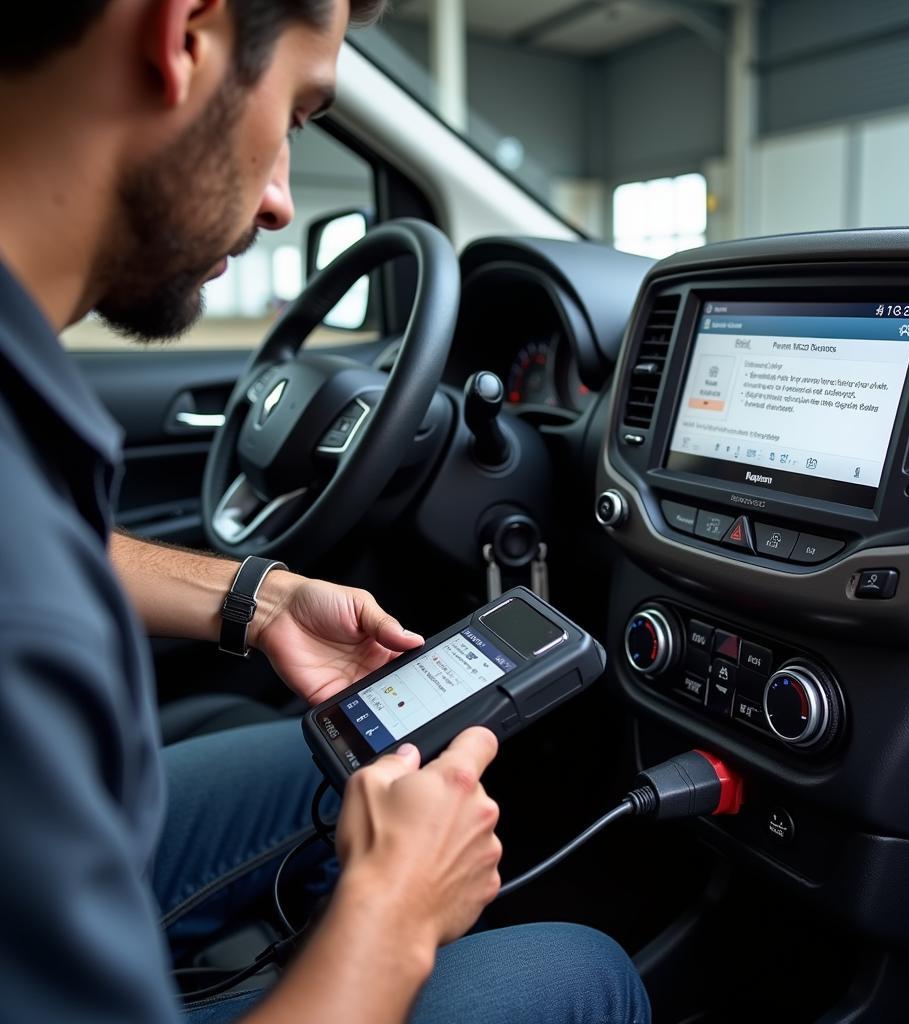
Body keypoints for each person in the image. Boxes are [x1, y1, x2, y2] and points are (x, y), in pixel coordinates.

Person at [0, 2, 652, 1023]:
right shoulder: (28, 609)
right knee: (583, 970)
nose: (278, 202)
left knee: (317, 763)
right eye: (299, 114)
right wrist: (391, 916)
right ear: (185, 36)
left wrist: (257, 599)